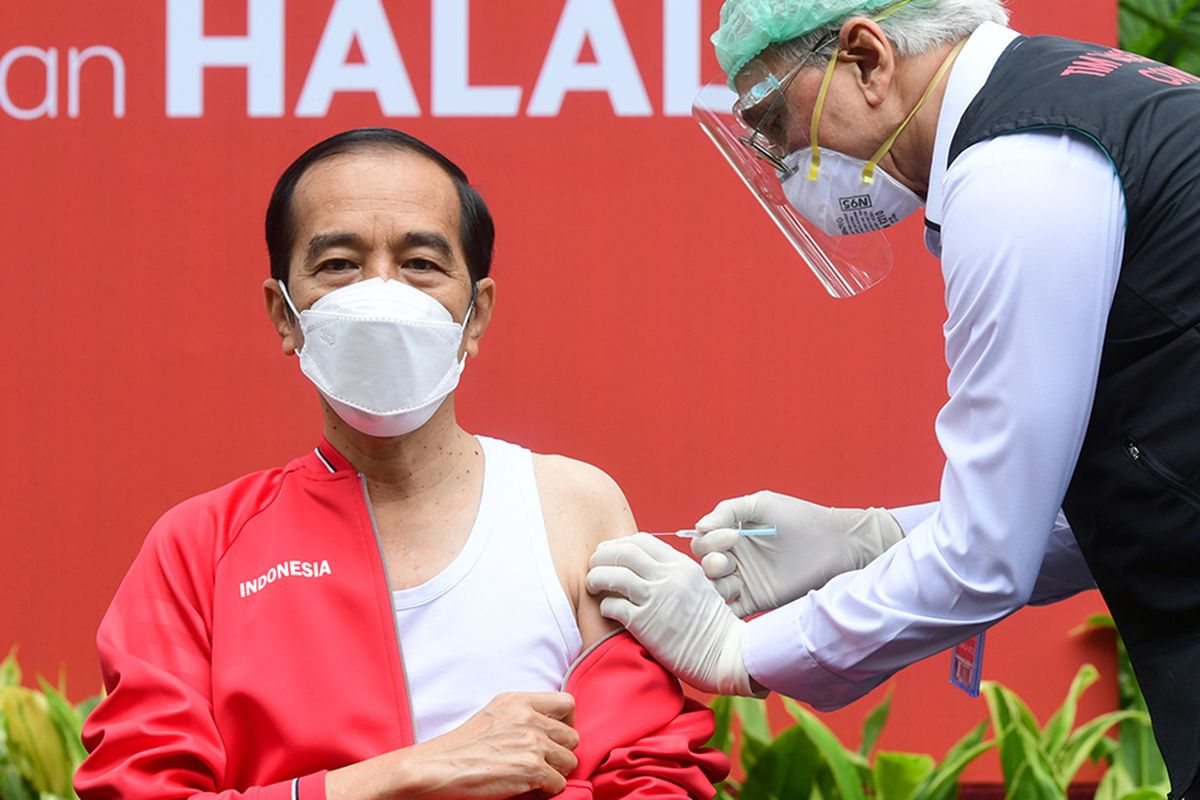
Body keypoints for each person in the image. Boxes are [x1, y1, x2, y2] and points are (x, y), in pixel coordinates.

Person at [586, 1, 1200, 797]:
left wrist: (749, 652)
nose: (778, 159)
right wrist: (871, 541)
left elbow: (987, 557)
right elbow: (1136, 486)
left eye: (774, 118)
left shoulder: (1016, 169)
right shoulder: (1082, 96)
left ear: (869, 57)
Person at [75, 128, 727, 800]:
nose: (382, 294)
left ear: (477, 315)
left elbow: (654, 775)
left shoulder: (570, 507)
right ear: (285, 314)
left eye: (420, 263)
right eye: (338, 265)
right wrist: (406, 774)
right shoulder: (200, 546)